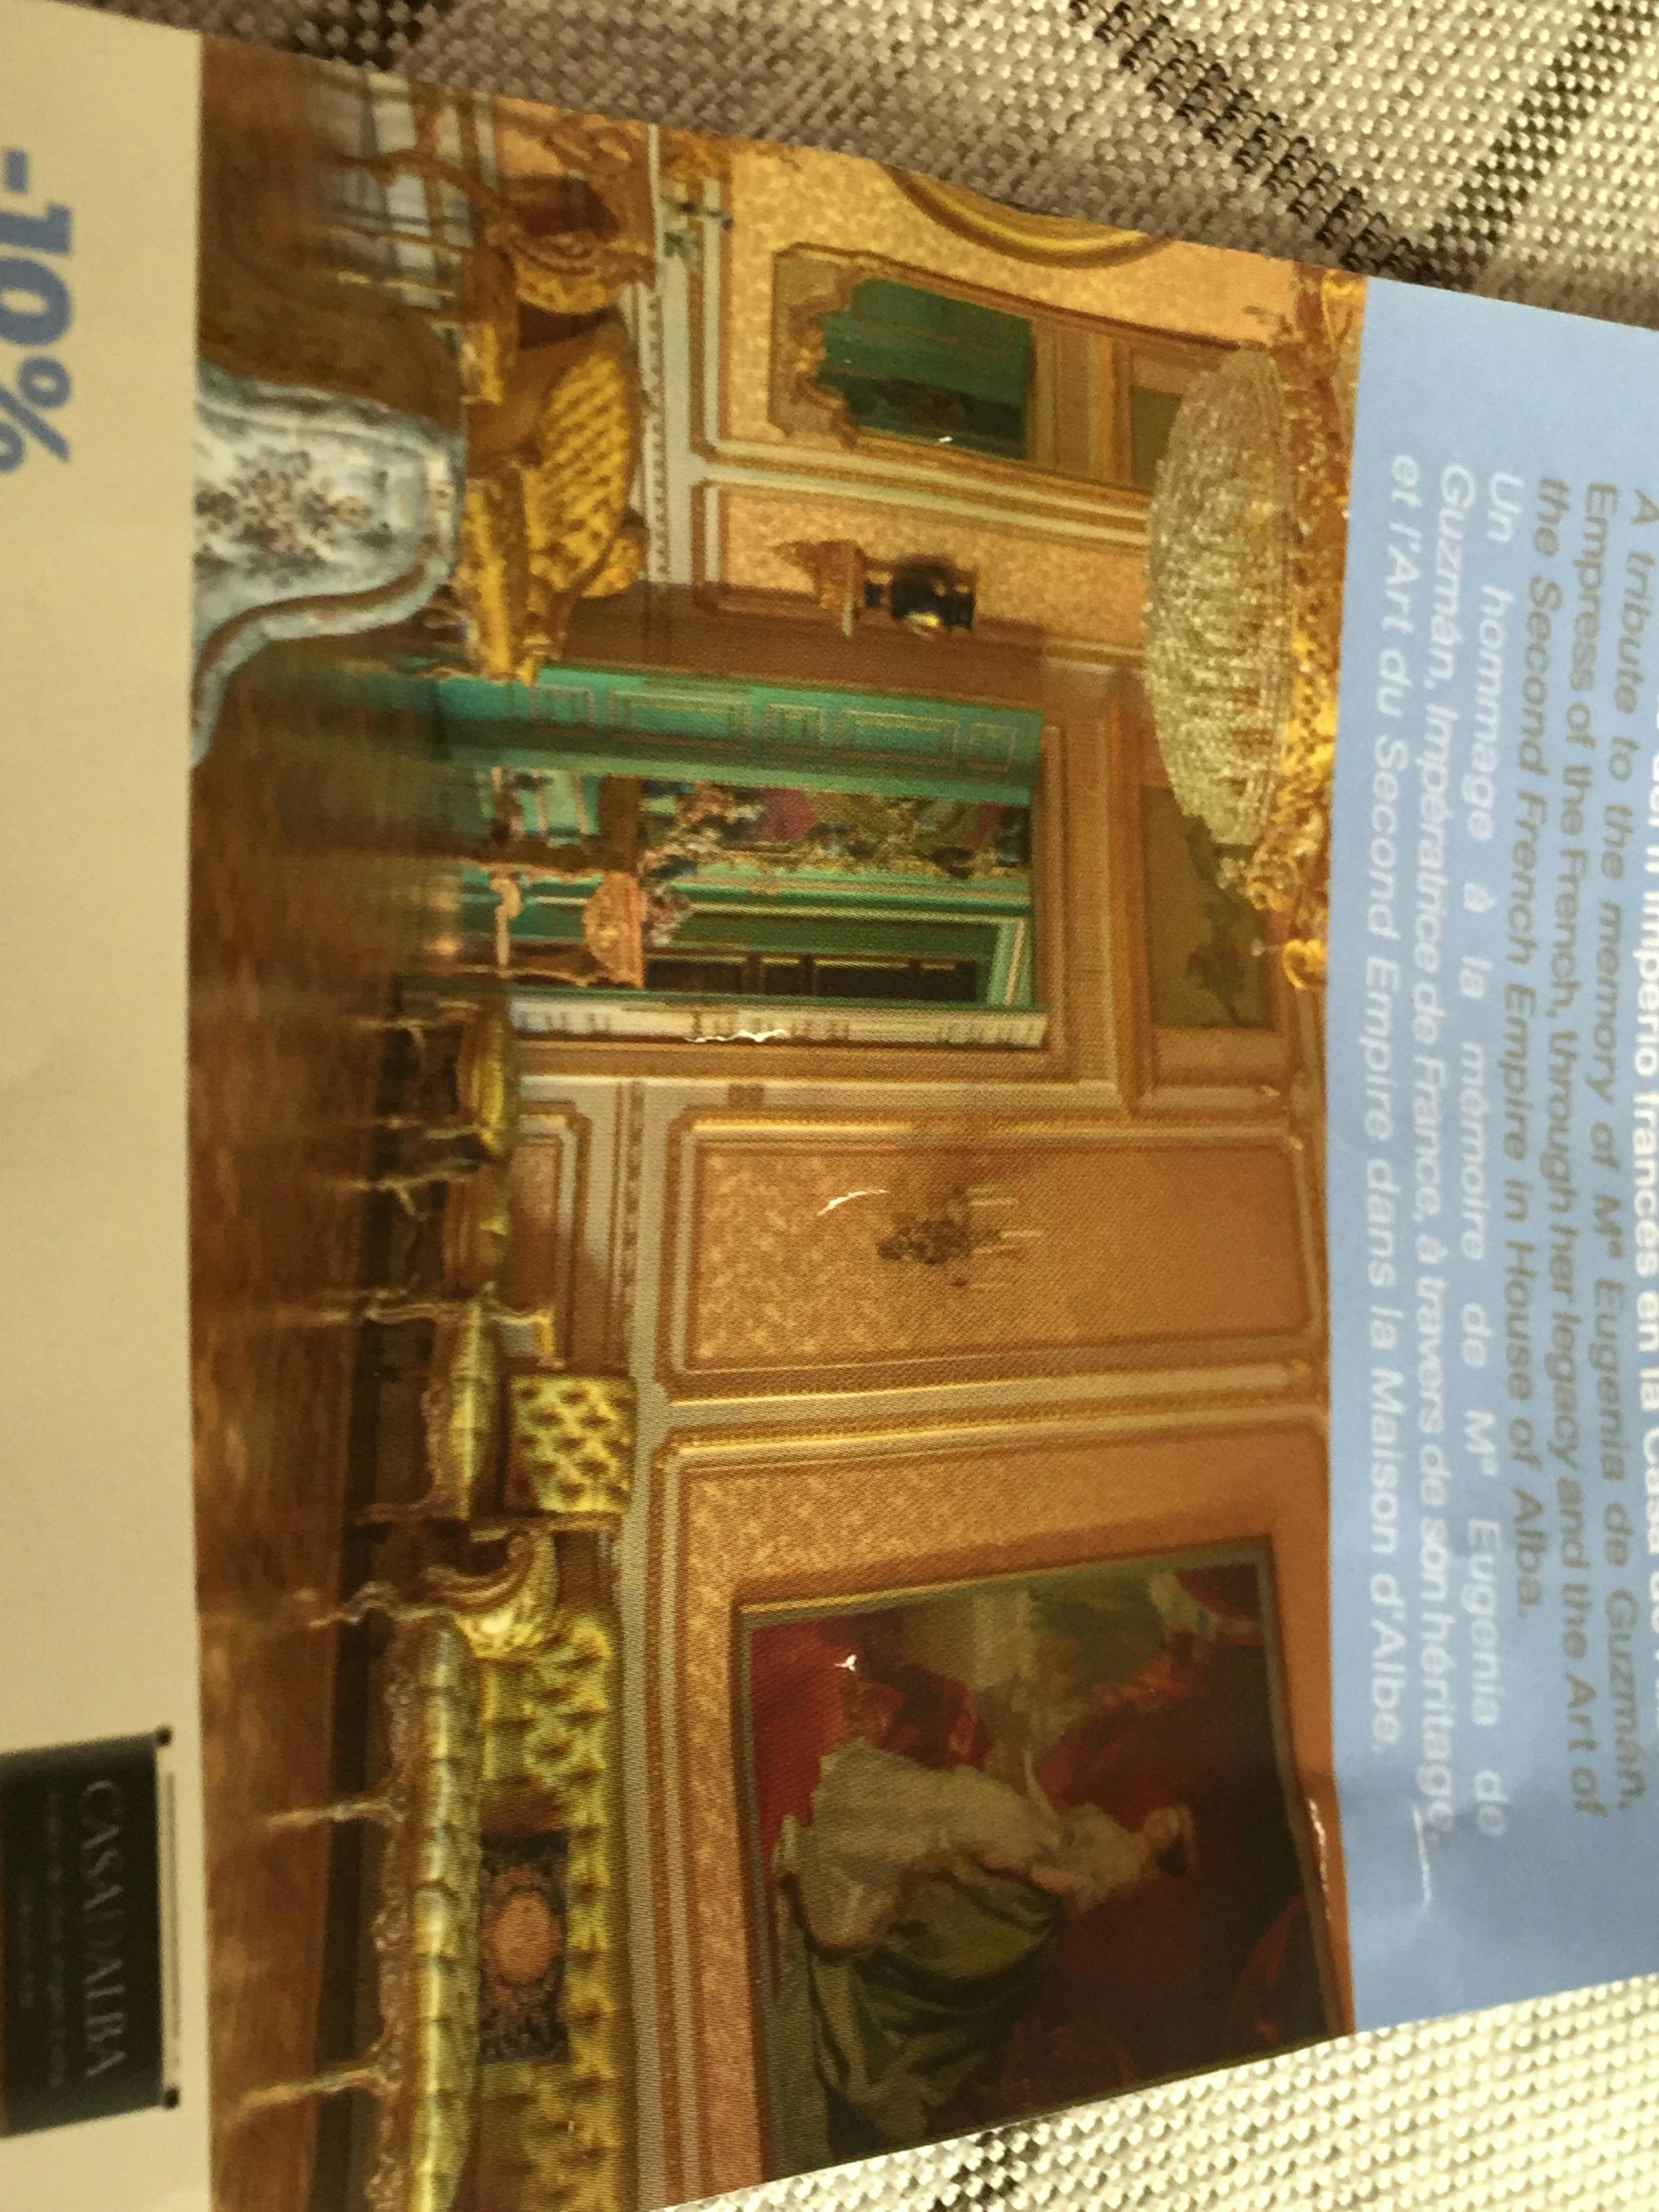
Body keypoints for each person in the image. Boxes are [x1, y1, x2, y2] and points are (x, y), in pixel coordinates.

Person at [767, 1659, 1191, 2170]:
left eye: (1170, 1827)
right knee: (982, 1803)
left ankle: (834, 1872)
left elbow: (1072, 1887)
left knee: (975, 1815)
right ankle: (838, 1826)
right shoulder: (1116, 1832)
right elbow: (1059, 1829)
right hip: (1035, 1852)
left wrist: (1019, 1866)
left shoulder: (1127, 1866)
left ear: (1166, 1846)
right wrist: (1027, 1783)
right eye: (1167, 1815)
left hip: (1033, 1897)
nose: (1160, 1819)